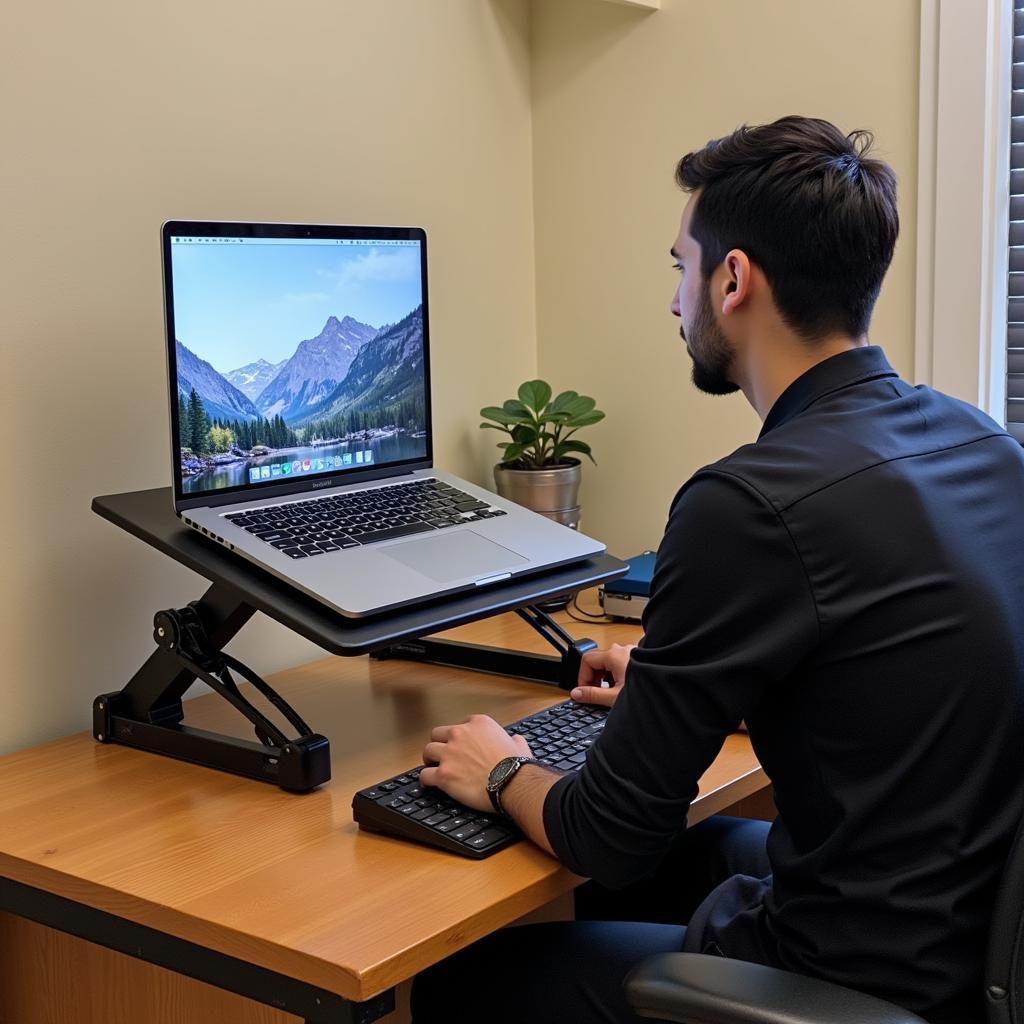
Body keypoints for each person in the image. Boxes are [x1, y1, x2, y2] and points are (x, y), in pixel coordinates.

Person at [410, 116, 1024, 1024]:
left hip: (863, 978)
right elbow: (914, 672)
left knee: (463, 983)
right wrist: (680, 692)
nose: (674, 301)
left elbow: (609, 836)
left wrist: (498, 769)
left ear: (733, 280)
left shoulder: (750, 503)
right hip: (961, 936)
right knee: (667, 869)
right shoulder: (981, 444)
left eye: (679, 268)